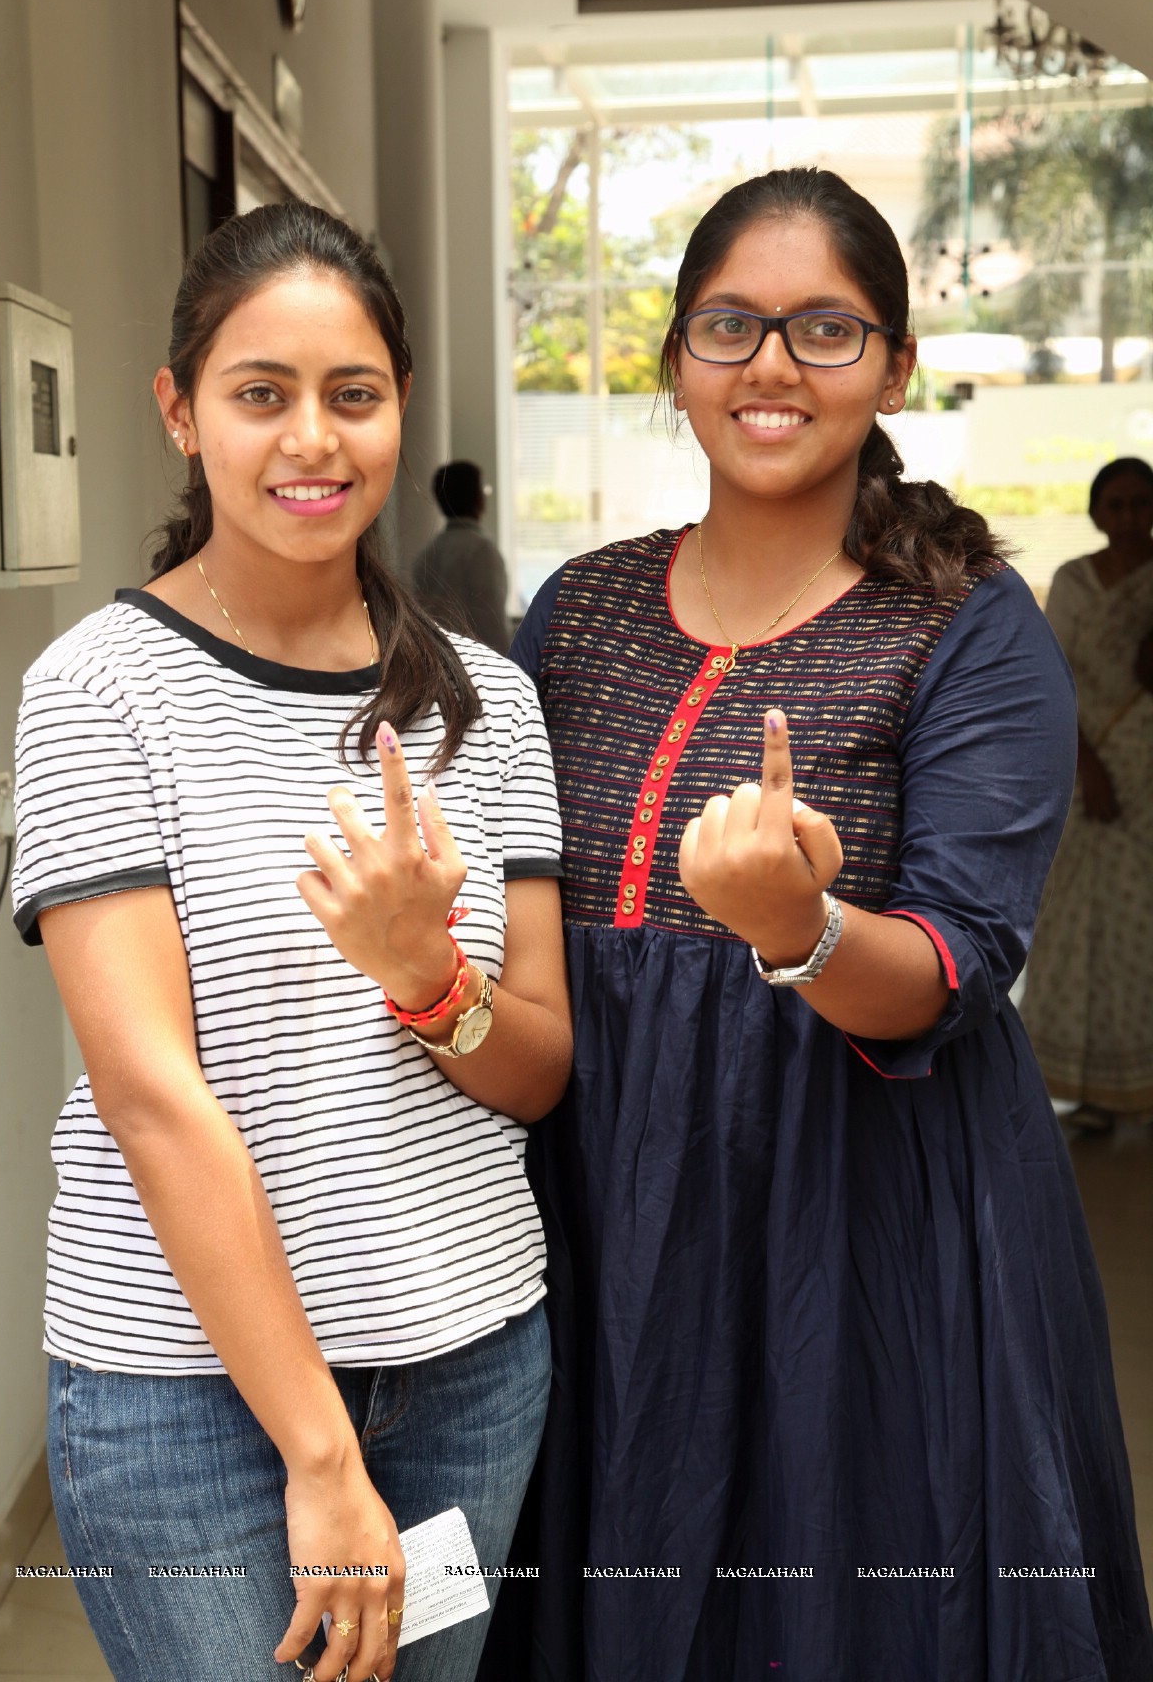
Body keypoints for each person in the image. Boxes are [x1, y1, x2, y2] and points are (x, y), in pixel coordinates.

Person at [490, 169, 1153, 1680]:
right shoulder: (574, 613)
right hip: (600, 1209)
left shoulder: (972, 625)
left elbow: (955, 965)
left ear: (896, 366)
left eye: (825, 330)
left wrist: (799, 931)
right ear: (674, 360)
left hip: (858, 1230)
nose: (772, 365)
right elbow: (517, 917)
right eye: (730, 325)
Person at [10, 202, 572, 1682]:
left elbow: (537, 1074)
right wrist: (320, 1454)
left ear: (397, 410)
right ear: (180, 411)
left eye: (353, 394)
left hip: (466, 1367)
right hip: (184, 1402)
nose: (311, 440)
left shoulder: (489, 708)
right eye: (261, 393)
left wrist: (425, 977)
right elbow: (152, 1097)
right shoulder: (98, 694)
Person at [1021, 455, 1153, 1132]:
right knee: (1075, 917)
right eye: (1117, 504)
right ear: (1097, 512)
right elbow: (1054, 678)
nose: (1129, 518)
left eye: (1141, 504)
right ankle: (1089, 1083)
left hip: (1148, 764)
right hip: (1088, 767)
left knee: (1141, 921)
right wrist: (1091, 767)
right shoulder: (1074, 580)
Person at [412, 460, 510, 653]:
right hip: (480, 665)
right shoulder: (481, 551)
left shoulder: (428, 553)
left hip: (439, 660)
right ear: (478, 498)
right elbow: (493, 624)